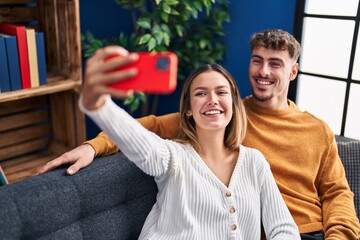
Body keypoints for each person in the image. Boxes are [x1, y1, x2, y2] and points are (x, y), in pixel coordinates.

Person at [39, 29, 360, 239]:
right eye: (257, 61)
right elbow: (147, 131)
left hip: (312, 232)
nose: (263, 71)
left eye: (275, 64)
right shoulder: (223, 114)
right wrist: (93, 145)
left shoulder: (315, 130)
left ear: (292, 71)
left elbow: (336, 193)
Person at [77, 46, 301, 239]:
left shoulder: (255, 162)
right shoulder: (172, 157)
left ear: (234, 105)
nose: (212, 99)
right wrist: (98, 106)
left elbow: (283, 229)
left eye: (221, 92)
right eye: (201, 94)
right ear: (188, 111)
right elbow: (141, 143)